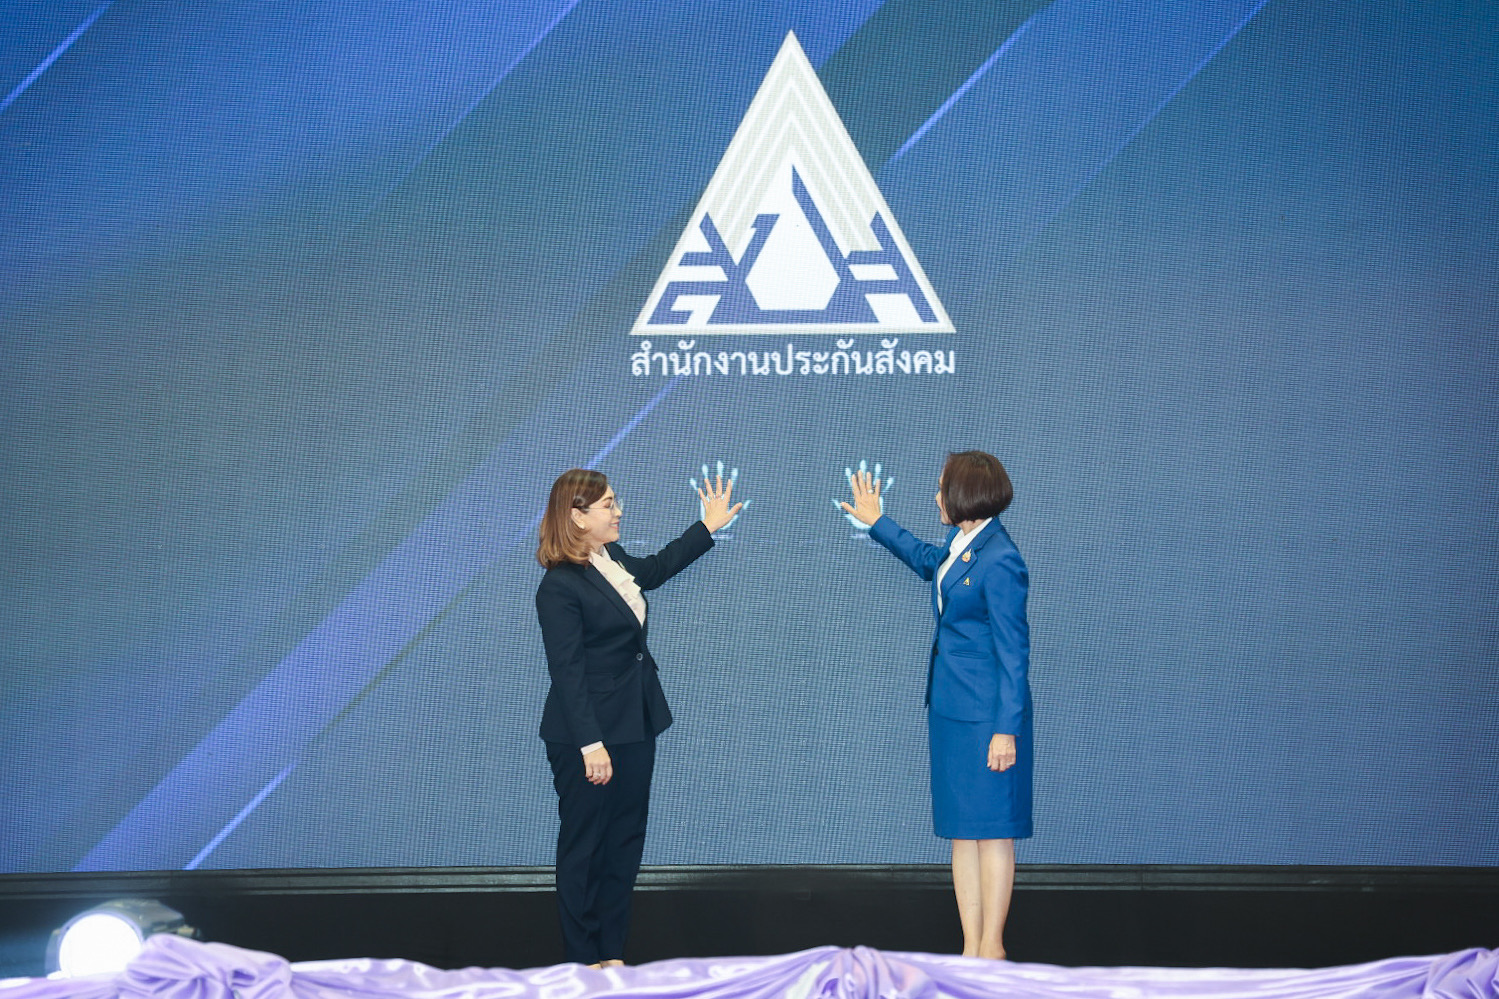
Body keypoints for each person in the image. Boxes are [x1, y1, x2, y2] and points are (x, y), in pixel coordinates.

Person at [534, 467, 742, 969]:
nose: (619, 511)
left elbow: (654, 570)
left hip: (635, 722)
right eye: (609, 504)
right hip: (588, 736)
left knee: (624, 843)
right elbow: (567, 672)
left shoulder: (612, 558)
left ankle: (611, 955)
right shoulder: (558, 587)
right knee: (585, 848)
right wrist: (591, 744)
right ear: (577, 516)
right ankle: (581, 962)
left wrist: (707, 526)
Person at [840, 450, 1032, 960]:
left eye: (941, 487)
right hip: (951, 711)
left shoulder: (1002, 559)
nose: (936, 496)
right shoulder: (964, 542)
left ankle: (992, 948)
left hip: (987, 718)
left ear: (964, 494)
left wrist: (1006, 729)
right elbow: (931, 562)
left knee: (993, 833)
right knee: (962, 833)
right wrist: (877, 522)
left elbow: (1014, 653)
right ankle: (971, 948)